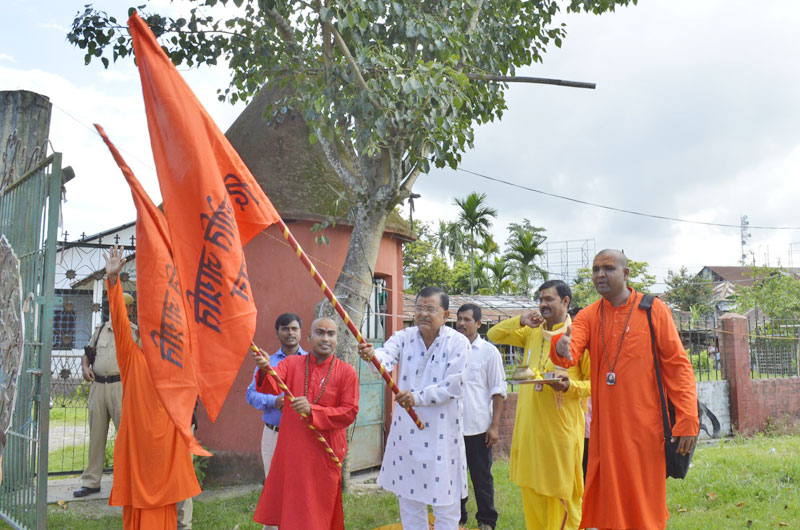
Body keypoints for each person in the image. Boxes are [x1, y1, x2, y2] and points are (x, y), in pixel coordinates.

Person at [553, 249, 699, 530]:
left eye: (607, 268)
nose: (599, 275)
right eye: (595, 269)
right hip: (606, 432)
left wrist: (688, 418)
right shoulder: (589, 314)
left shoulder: (653, 309)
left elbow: (678, 366)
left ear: (625, 273)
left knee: (644, 503)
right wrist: (561, 348)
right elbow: (571, 347)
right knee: (609, 504)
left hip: (646, 430)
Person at [358, 286, 470, 530]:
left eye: (430, 309)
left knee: (446, 506)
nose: (423, 314)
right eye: (419, 308)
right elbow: (384, 360)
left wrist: (417, 398)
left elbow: (453, 385)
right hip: (407, 436)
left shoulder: (458, 343)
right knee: (410, 504)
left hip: (442, 437)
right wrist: (372, 357)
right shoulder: (403, 337)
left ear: (446, 314)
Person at [103, 246, 200, 529]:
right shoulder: (132, 357)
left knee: (166, 514)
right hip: (139, 452)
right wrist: (112, 281)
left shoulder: (179, 360)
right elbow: (120, 321)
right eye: (146, 329)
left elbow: (188, 322)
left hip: (167, 455)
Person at [487, 280, 590, 530]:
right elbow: (493, 335)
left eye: (549, 299)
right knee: (532, 493)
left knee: (563, 496)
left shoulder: (579, 337)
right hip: (530, 429)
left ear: (566, 302)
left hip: (560, 431)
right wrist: (520, 321)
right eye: (540, 299)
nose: (543, 304)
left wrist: (570, 386)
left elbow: (594, 384)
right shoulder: (532, 331)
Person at [251, 317, 359, 530]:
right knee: (292, 510)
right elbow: (271, 385)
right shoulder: (291, 364)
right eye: (320, 333)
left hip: (325, 453)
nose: (325, 338)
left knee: (319, 512)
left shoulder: (347, 372)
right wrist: (265, 368)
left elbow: (349, 412)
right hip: (293, 454)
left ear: (337, 339)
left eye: (331, 334)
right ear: (309, 338)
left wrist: (313, 410)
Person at [72, 289, 137, 498]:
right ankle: (91, 482)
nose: (115, 310)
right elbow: (88, 354)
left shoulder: (134, 332)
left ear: (128, 309)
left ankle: (127, 482)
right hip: (98, 386)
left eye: (121, 306)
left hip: (121, 387)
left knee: (126, 437)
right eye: (112, 306)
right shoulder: (100, 330)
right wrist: (85, 367)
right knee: (96, 435)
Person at [455, 303, 506, 530]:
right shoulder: (451, 349)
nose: (462, 324)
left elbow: (498, 391)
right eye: (459, 319)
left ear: (478, 323)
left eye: (467, 320)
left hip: (477, 428)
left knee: (481, 478)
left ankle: (486, 521)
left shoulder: (489, 352)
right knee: (454, 478)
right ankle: (457, 519)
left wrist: (494, 426)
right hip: (452, 428)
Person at [245, 313, 307, 480]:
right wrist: (274, 401)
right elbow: (250, 395)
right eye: (285, 329)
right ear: (277, 332)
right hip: (274, 433)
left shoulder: (311, 362)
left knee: (301, 483)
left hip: (304, 434)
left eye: (294, 328)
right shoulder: (267, 363)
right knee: (274, 482)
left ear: (301, 332)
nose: (290, 333)